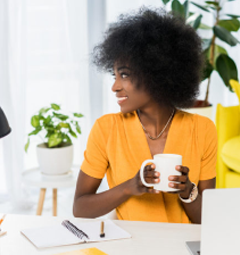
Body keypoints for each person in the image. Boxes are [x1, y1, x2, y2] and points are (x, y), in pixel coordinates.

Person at [73, 7, 217, 224]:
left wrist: (188, 191)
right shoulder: (106, 129)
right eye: (115, 75)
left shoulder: (202, 129)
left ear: (156, 74)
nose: (114, 86)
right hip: (130, 242)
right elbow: (80, 207)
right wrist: (129, 188)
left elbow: (207, 221)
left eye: (124, 75)